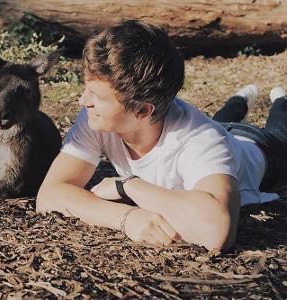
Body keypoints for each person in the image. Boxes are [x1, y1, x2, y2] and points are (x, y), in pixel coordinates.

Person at [36, 20, 287, 251]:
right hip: (220, 131)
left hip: (259, 148)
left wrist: (127, 184)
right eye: (86, 89)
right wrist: (126, 218)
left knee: (279, 132)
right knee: (224, 120)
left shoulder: (202, 140)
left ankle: (280, 100)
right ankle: (240, 99)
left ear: (142, 110)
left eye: (96, 96)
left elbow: (216, 232)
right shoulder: (95, 117)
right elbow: (50, 195)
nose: (83, 101)